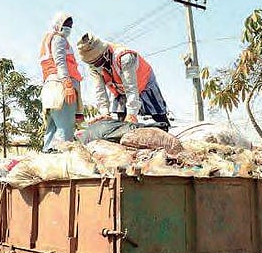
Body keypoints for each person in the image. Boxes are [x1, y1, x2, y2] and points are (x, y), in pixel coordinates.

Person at [76, 33, 170, 128]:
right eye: (93, 63)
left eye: (98, 62)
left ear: (105, 53)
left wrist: (132, 114)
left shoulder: (125, 57)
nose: (97, 66)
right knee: (121, 119)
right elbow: (100, 91)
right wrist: (104, 112)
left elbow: (131, 88)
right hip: (120, 89)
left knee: (158, 114)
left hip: (143, 81)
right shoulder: (93, 67)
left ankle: (166, 130)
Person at [39, 12, 83, 152]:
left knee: (51, 131)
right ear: (58, 25)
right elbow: (60, 63)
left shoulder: (49, 39)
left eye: (70, 25)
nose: (69, 28)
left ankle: (47, 159)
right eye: (66, 25)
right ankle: (61, 164)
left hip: (51, 89)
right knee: (65, 130)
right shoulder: (59, 39)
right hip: (61, 88)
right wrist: (68, 85)